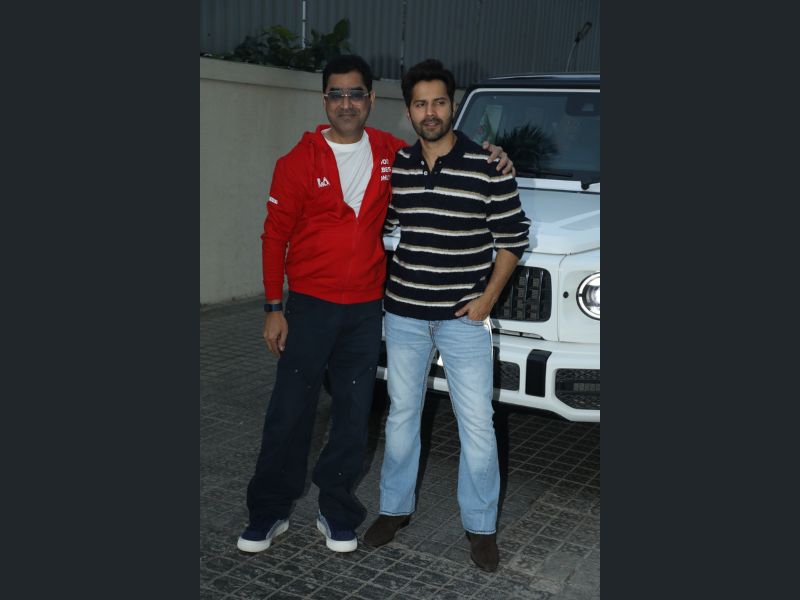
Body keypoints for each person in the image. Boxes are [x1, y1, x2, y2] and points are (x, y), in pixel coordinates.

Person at [237, 54, 513, 554]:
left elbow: (499, 219)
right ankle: (270, 511)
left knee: (355, 416)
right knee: (293, 412)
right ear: (325, 100)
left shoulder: (393, 154)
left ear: (370, 99)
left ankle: (340, 511)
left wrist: (496, 155)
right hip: (321, 307)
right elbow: (274, 235)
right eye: (337, 94)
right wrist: (273, 306)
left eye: (356, 94)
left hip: (372, 309)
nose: (346, 103)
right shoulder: (307, 162)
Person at [363, 59, 531, 572]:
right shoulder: (399, 165)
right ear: (408, 110)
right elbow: (384, 222)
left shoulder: (487, 164)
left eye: (439, 101)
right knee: (401, 416)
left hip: (464, 319)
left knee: (477, 422)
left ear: (453, 105)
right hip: (405, 315)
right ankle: (394, 509)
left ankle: (480, 527)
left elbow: (513, 240)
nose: (430, 112)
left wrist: (486, 301)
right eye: (420, 103)